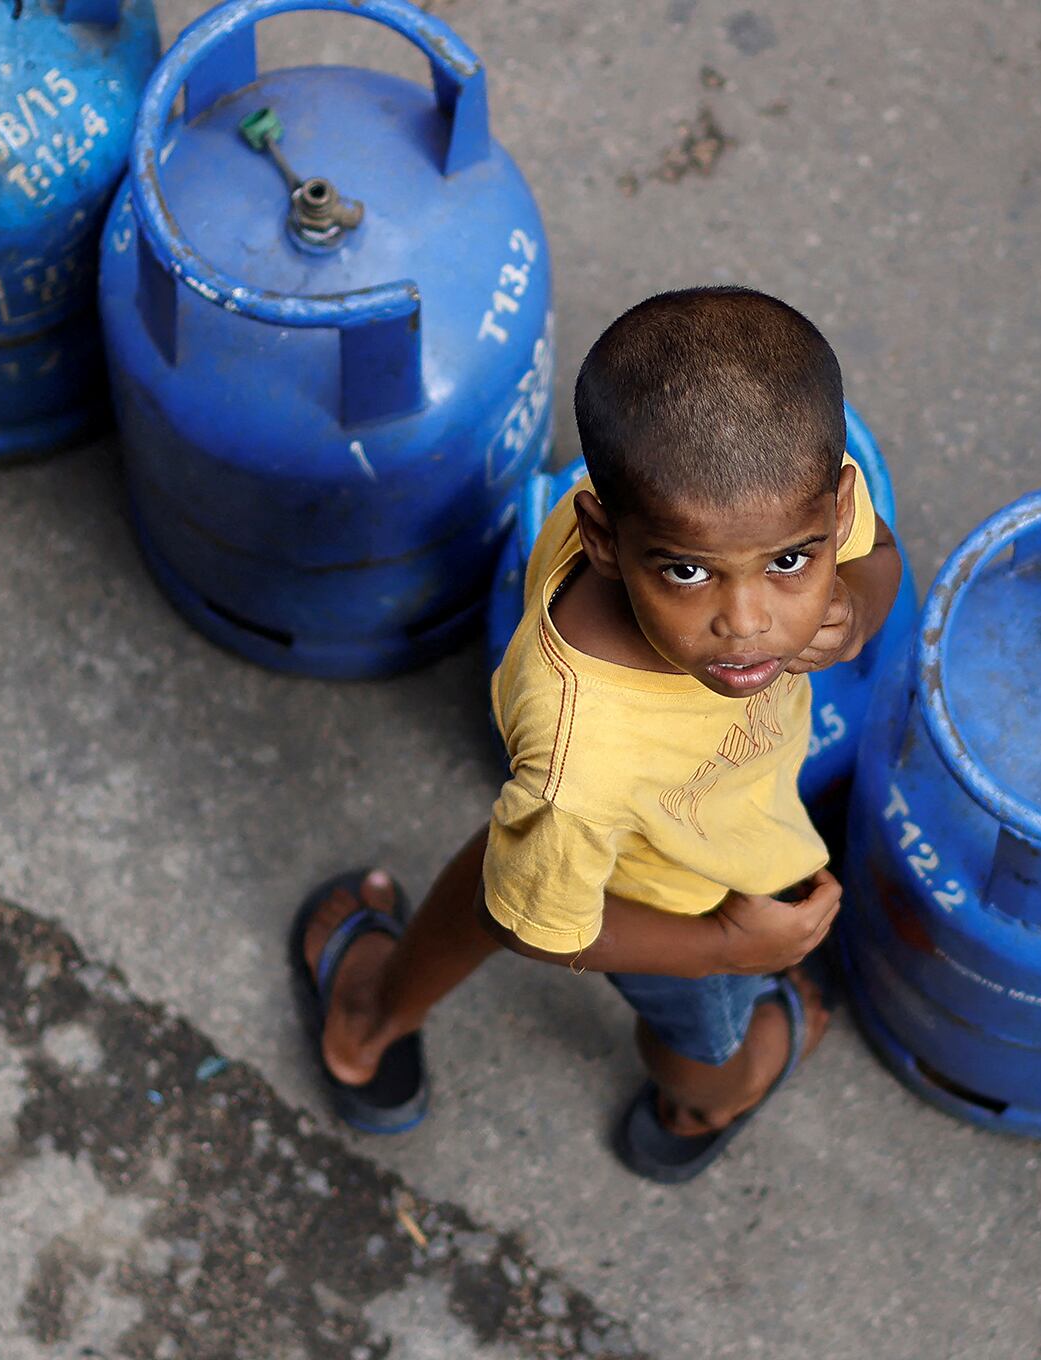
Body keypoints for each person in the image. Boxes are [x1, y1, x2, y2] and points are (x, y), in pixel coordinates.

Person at [291, 285, 904, 1182]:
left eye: (790, 564)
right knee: (700, 1035)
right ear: (605, 539)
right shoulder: (582, 762)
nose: (749, 623)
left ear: (835, 509)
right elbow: (539, 928)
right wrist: (734, 948)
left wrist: (854, 612)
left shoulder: (710, 498)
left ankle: (371, 1012)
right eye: (688, 573)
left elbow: (876, 554)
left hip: (630, 828)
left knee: (526, 853)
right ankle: (705, 1104)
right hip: (684, 906)